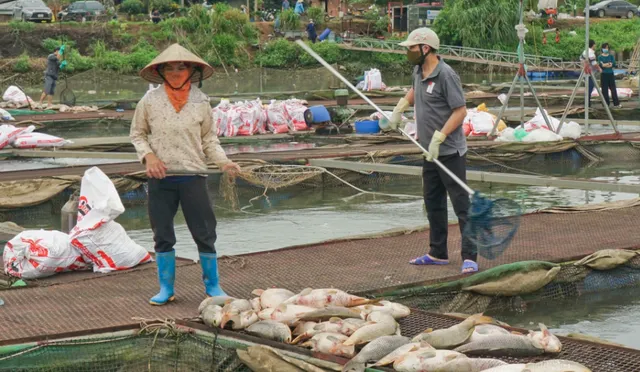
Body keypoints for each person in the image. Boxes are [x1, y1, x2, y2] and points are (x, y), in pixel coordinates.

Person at [130, 44, 241, 306]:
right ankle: (166, 288)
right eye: (170, 67)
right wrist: (149, 157)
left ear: (192, 71)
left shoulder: (201, 101)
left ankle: (212, 285)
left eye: (182, 67)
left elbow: (209, 139)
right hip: (161, 178)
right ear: (161, 71)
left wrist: (224, 163)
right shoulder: (149, 101)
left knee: (204, 231)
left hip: (193, 175)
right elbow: (137, 134)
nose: (177, 72)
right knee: (163, 233)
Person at [387, 28, 477, 274]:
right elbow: (416, 90)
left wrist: (440, 136)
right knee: (433, 203)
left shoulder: (446, 75)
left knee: (461, 205)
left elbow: (460, 111)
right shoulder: (418, 70)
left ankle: (470, 256)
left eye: (411, 48)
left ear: (425, 48)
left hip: (449, 151)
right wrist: (400, 107)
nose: (408, 52)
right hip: (428, 151)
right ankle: (438, 253)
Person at [597, 42, 621, 108]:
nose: (606, 49)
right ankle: (605, 105)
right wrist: (608, 64)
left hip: (610, 74)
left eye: (607, 48)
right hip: (604, 74)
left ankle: (616, 104)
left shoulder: (611, 56)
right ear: (602, 49)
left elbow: (613, 64)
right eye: (605, 48)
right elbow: (601, 65)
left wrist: (605, 64)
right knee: (604, 90)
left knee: (613, 89)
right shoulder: (600, 57)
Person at [580, 39, 602, 109]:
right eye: (595, 44)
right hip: (589, 73)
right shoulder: (590, 52)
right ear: (593, 45)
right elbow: (594, 63)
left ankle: (587, 103)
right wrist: (599, 69)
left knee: (588, 88)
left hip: (586, 72)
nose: (595, 45)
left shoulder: (585, 51)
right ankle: (587, 104)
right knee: (589, 88)